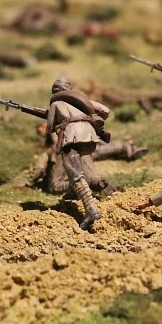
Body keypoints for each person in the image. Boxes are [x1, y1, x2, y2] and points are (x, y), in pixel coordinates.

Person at [46, 77, 111, 230]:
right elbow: (106, 111)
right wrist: (89, 117)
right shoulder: (83, 102)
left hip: (72, 138)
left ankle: (91, 210)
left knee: (75, 175)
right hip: (89, 138)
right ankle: (73, 193)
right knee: (76, 171)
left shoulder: (56, 104)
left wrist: (53, 117)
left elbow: (49, 128)